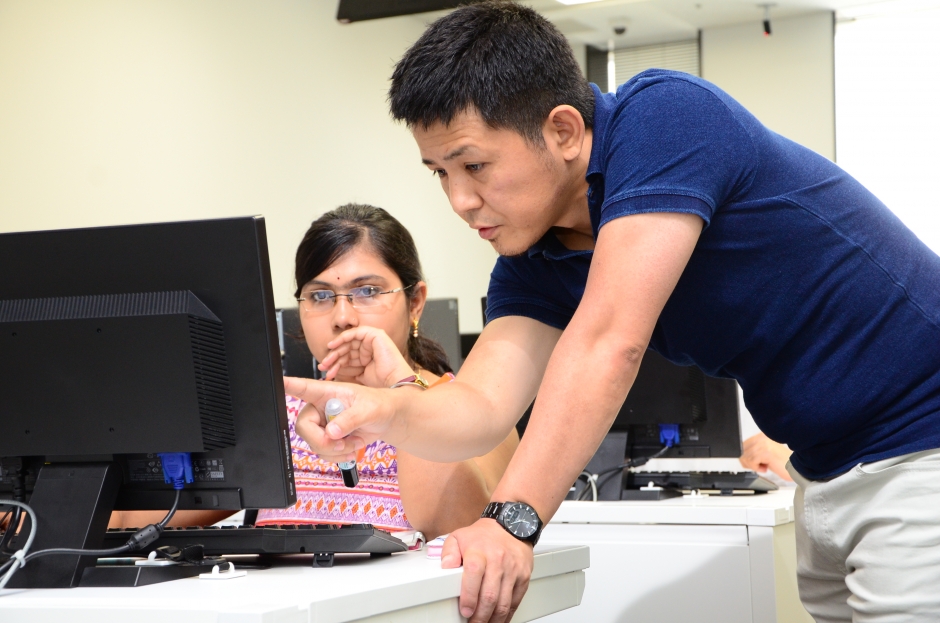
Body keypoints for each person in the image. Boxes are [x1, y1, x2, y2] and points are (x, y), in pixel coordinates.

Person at [285, 3, 940, 623]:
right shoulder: (533, 257)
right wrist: (381, 411)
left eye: (475, 165)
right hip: (827, 464)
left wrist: (513, 518)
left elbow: (608, 342)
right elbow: (480, 409)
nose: (460, 199)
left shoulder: (667, 119)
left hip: (921, 437)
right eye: (439, 173)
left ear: (564, 130)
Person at [111, 203, 518, 539]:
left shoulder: (472, 409)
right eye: (320, 295)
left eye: (368, 291)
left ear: (415, 303)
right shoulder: (278, 416)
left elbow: (455, 528)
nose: (342, 317)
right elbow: (134, 523)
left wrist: (396, 391)